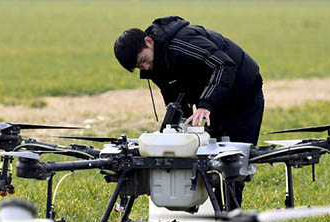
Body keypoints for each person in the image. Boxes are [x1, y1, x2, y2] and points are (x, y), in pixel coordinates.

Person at [113, 16, 264, 145]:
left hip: (243, 90)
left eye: (144, 60)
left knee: (234, 157)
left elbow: (223, 66)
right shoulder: (154, 66)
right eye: (139, 66)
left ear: (149, 41)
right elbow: (175, 97)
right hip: (216, 97)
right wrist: (175, 125)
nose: (146, 67)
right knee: (209, 155)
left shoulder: (181, 43)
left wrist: (206, 105)